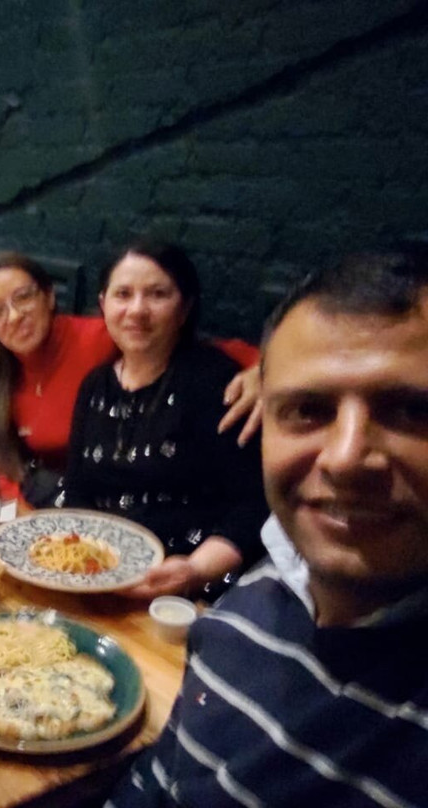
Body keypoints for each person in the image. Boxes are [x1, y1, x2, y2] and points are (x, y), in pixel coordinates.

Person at [105, 250, 428, 808]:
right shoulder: (236, 617)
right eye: (307, 409)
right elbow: (152, 786)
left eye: (412, 411)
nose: (346, 458)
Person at [57, 242, 267, 600]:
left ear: (184, 308)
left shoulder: (216, 382)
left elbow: (253, 504)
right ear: (104, 304)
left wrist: (196, 570)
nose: (137, 310)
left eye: (157, 294)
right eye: (123, 294)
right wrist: (87, 561)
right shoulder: (95, 385)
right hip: (100, 572)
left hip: (191, 583)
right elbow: (77, 489)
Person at [0, 251, 261, 505]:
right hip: (52, 502)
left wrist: (262, 371)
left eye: (23, 297)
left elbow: (213, 351)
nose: (14, 316)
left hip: (123, 498)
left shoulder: (98, 338)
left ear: (50, 296)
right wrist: (19, 514)